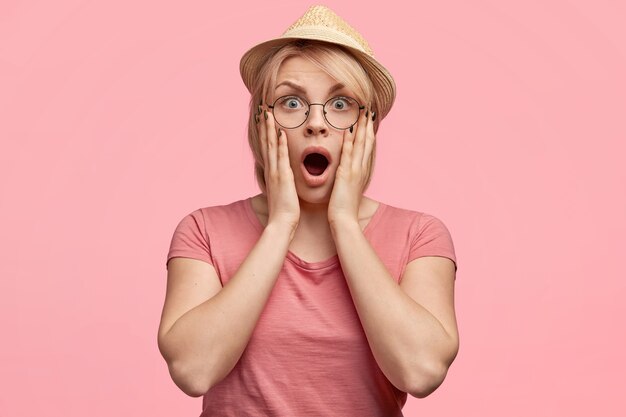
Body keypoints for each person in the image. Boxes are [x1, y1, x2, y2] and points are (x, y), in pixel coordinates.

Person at [157, 5, 458, 416]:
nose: (315, 123)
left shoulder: (419, 235)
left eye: (340, 104)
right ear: (261, 124)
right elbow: (193, 371)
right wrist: (281, 223)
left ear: (367, 129)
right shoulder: (204, 230)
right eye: (292, 102)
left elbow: (420, 372)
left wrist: (345, 223)